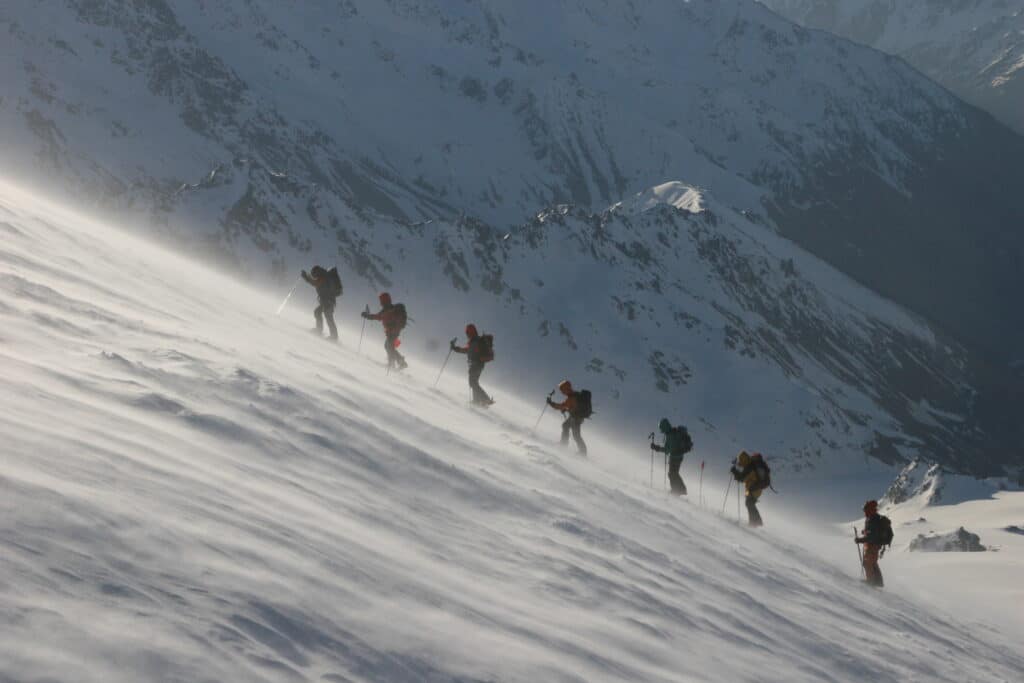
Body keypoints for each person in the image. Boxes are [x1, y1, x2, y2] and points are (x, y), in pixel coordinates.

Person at [361, 292, 407, 370]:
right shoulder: (390, 309)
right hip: (393, 332)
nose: (380, 302)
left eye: (381, 300)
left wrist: (367, 316)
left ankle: (396, 363)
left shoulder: (388, 310)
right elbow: (378, 317)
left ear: (384, 301)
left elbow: (377, 317)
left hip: (392, 332)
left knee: (389, 347)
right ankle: (396, 362)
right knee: (388, 346)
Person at [451, 324, 494, 406]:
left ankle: (485, 399)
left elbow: (467, 350)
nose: (467, 334)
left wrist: (455, 348)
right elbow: (466, 350)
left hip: (476, 365)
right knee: (474, 382)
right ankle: (477, 401)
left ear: (470, 332)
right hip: (478, 365)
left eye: (467, 332)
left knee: (473, 383)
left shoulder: (474, 341)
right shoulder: (474, 341)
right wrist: (455, 349)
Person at [651, 418, 692, 495]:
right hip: (679, 456)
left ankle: (677, 491)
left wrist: (657, 448)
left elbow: (667, 450)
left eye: (662, 429)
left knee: (672, 474)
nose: (662, 431)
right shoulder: (674, 432)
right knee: (674, 473)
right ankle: (680, 490)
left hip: (675, 457)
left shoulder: (670, 436)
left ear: (664, 428)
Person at [547, 380, 588, 455]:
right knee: (566, 426)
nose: (562, 392)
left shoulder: (571, 398)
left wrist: (551, 403)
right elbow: (572, 407)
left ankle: (582, 452)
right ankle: (564, 444)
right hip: (576, 417)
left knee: (576, 435)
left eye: (562, 390)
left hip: (575, 419)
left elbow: (562, 406)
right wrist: (566, 409)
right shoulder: (575, 395)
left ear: (566, 389)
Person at [301, 265, 340, 341]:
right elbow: (316, 282)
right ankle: (320, 330)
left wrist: (306, 277)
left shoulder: (323, 277)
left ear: (317, 272)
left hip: (328, 302)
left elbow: (315, 283)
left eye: (314, 274)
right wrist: (306, 277)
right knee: (318, 312)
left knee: (328, 316)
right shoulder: (323, 276)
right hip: (327, 301)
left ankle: (333, 336)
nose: (314, 276)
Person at [730, 451, 769, 527]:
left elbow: (742, 478)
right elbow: (744, 477)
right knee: (749, 503)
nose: (740, 463)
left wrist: (734, 471)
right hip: (756, 488)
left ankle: (755, 523)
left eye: (740, 460)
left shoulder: (750, 467)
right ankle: (755, 522)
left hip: (753, 489)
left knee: (749, 503)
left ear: (743, 459)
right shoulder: (751, 466)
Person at [855, 500, 887, 587]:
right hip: (874, 546)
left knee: (867, 562)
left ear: (869, 509)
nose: (864, 511)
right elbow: (871, 533)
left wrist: (860, 540)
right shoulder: (872, 518)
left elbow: (871, 537)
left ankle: (871, 582)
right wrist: (864, 532)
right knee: (873, 563)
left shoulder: (872, 520)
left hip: (872, 546)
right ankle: (878, 582)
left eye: (865, 509)